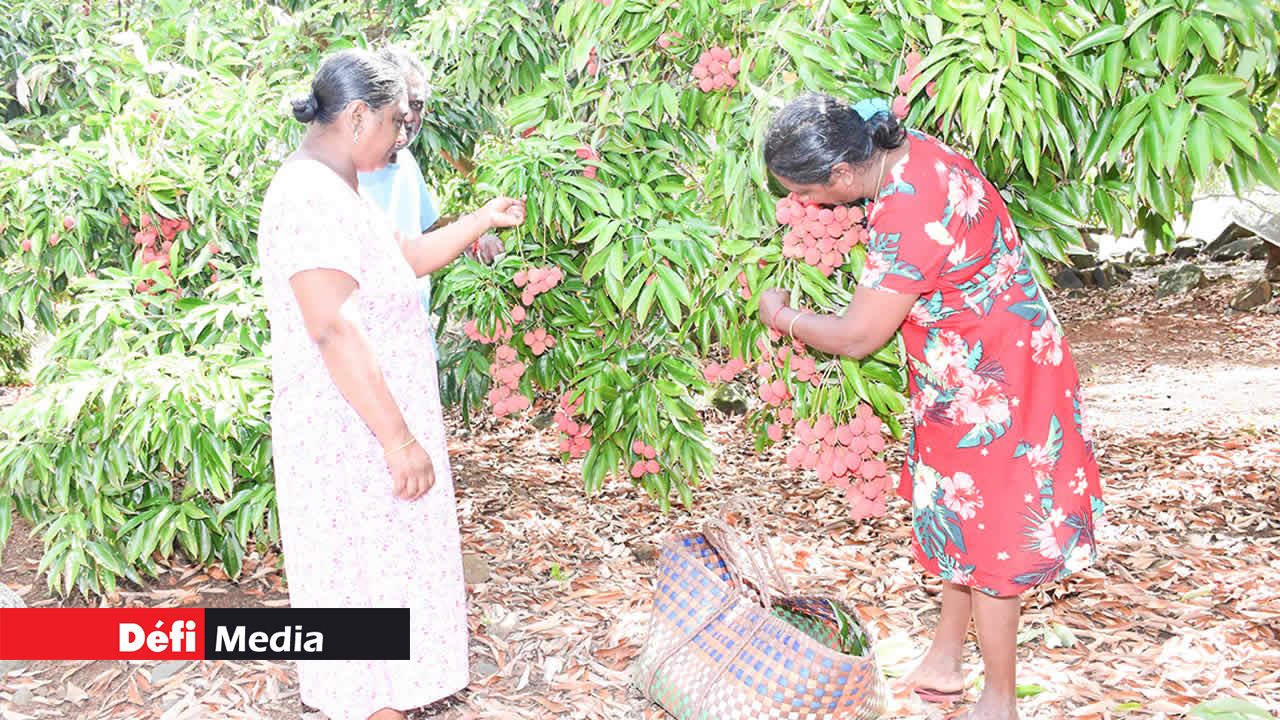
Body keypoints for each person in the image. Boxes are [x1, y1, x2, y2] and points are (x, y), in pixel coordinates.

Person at [756, 93, 1104, 720]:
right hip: (967, 367)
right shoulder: (901, 149)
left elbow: (861, 335)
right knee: (961, 515)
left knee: (994, 537)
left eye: (804, 191)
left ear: (841, 173)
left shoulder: (908, 214)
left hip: (996, 381)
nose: (804, 204)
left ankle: (999, 702)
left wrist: (782, 315)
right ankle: (946, 659)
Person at [256, 49, 526, 720]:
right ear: (355, 118)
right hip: (350, 436)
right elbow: (332, 329)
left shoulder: (338, 184)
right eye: (395, 122)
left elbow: (400, 259)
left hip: (367, 429)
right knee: (361, 586)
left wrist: (479, 221)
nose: (402, 137)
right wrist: (398, 437)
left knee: (386, 584)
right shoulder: (309, 195)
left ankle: (389, 709)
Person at [357, 45, 503, 357]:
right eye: (400, 102)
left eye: (418, 104)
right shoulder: (339, 174)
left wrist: (474, 237)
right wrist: (478, 221)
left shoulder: (405, 162)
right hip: (365, 358)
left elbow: (425, 231)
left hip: (413, 346)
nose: (409, 115)